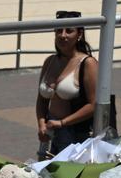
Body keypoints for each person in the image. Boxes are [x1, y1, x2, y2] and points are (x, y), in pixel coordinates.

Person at [36, 12, 98, 156]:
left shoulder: (88, 63)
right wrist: (41, 124)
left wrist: (62, 123)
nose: (63, 35)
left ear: (79, 34)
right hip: (50, 131)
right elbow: (41, 100)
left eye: (69, 31)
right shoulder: (50, 61)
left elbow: (93, 105)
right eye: (58, 30)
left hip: (74, 135)